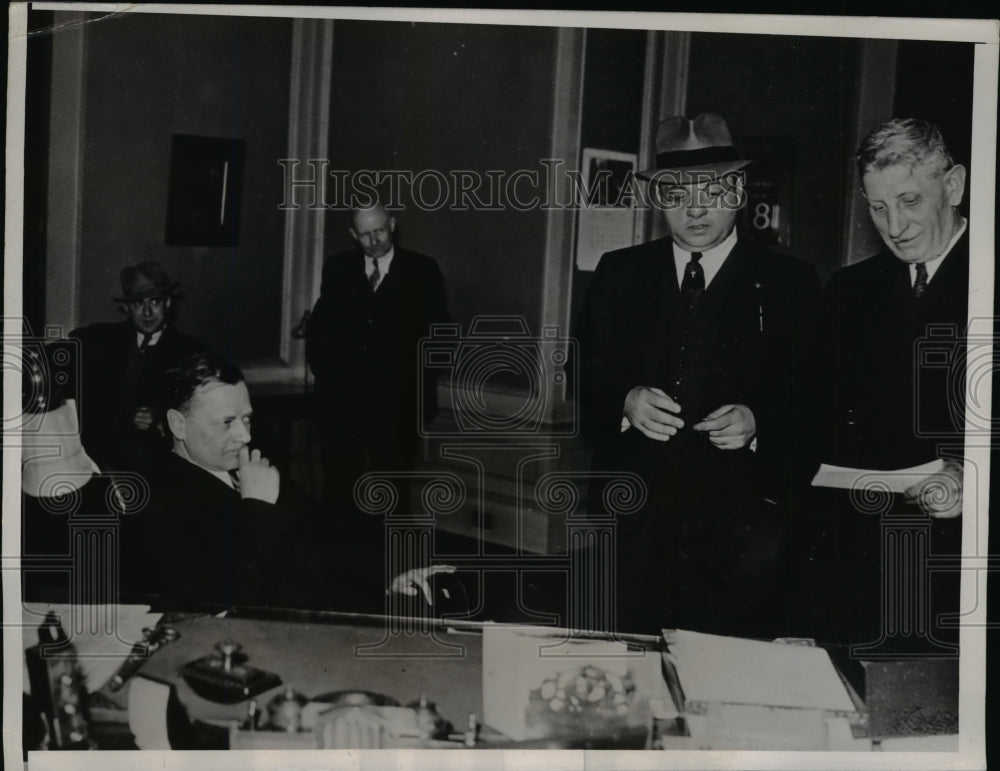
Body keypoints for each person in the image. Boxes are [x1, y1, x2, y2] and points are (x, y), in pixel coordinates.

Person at [579, 113, 822, 637]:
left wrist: (759, 422)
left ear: (737, 191)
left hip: (742, 538)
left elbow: (816, 401)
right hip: (634, 532)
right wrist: (625, 401)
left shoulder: (790, 283)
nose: (693, 208)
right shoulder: (619, 273)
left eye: (710, 191)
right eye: (675, 193)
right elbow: (585, 381)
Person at [120, 352, 452, 612]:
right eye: (227, 423)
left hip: (340, 616)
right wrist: (259, 508)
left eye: (247, 418)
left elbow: (329, 540)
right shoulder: (156, 499)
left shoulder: (250, 468)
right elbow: (226, 605)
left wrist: (389, 579)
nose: (245, 435)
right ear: (178, 425)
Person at [810, 118, 968, 652]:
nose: (894, 225)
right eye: (878, 208)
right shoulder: (849, 291)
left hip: (960, 571)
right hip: (857, 563)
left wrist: (974, 478)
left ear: (953, 186)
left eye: (909, 201)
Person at [306, 203, 449, 512]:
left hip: (398, 406)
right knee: (339, 491)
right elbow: (321, 331)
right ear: (353, 235)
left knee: (394, 492)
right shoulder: (338, 267)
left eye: (380, 231)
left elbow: (441, 339)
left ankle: (392, 560)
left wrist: (414, 387)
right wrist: (331, 381)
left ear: (393, 224)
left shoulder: (422, 270)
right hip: (343, 405)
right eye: (365, 235)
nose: (374, 241)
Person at [70, 261, 206, 473]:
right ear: (126, 308)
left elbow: (202, 413)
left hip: (157, 467)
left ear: (168, 303)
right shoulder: (100, 340)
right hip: (98, 462)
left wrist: (162, 418)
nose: (148, 312)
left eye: (155, 301)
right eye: (138, 304)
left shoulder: (190, 352)